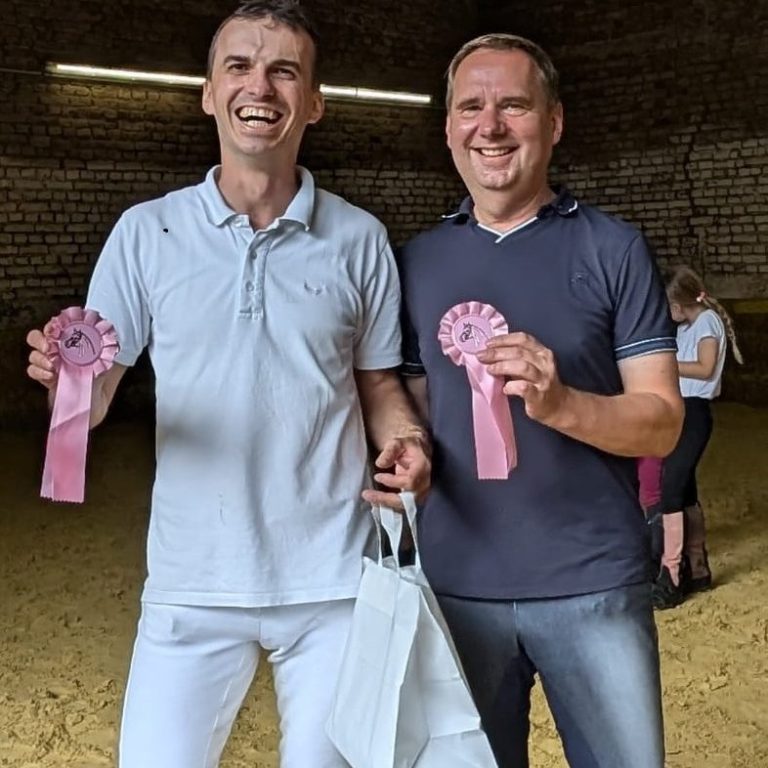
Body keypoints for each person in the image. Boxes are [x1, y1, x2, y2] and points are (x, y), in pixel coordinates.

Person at [26, 2, 430, 766]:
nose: (260, 86)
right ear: (209, 93)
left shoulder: (360, 239)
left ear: (315, 102)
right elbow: (94, 396)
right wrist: (66, 382)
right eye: (238, 66)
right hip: (191, 583)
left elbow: (377, 383)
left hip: (333, 584)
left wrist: (408, 442)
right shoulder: (146, 233)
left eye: (284, 71)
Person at [397, 33, 684, 768]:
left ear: (553, 123)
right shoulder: (416, 262)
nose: (490, 126)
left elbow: (661, 421)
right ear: (449, 128)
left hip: (593, 584)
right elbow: (413, 413)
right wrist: (408, 455)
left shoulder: (613, 249)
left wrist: (562, 406)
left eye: (514, 106)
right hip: (456, 587)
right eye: (471, 107)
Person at [652, 265, 743, 609]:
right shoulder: (688, 326)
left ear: (678, 302)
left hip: (694, 412)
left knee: (671, 490)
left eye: (668, 306)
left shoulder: (706, 322)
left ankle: (672, 575)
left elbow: (704, 368)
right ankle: (698, 567)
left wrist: (665, 364)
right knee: (686, 490)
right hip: (681, 410)